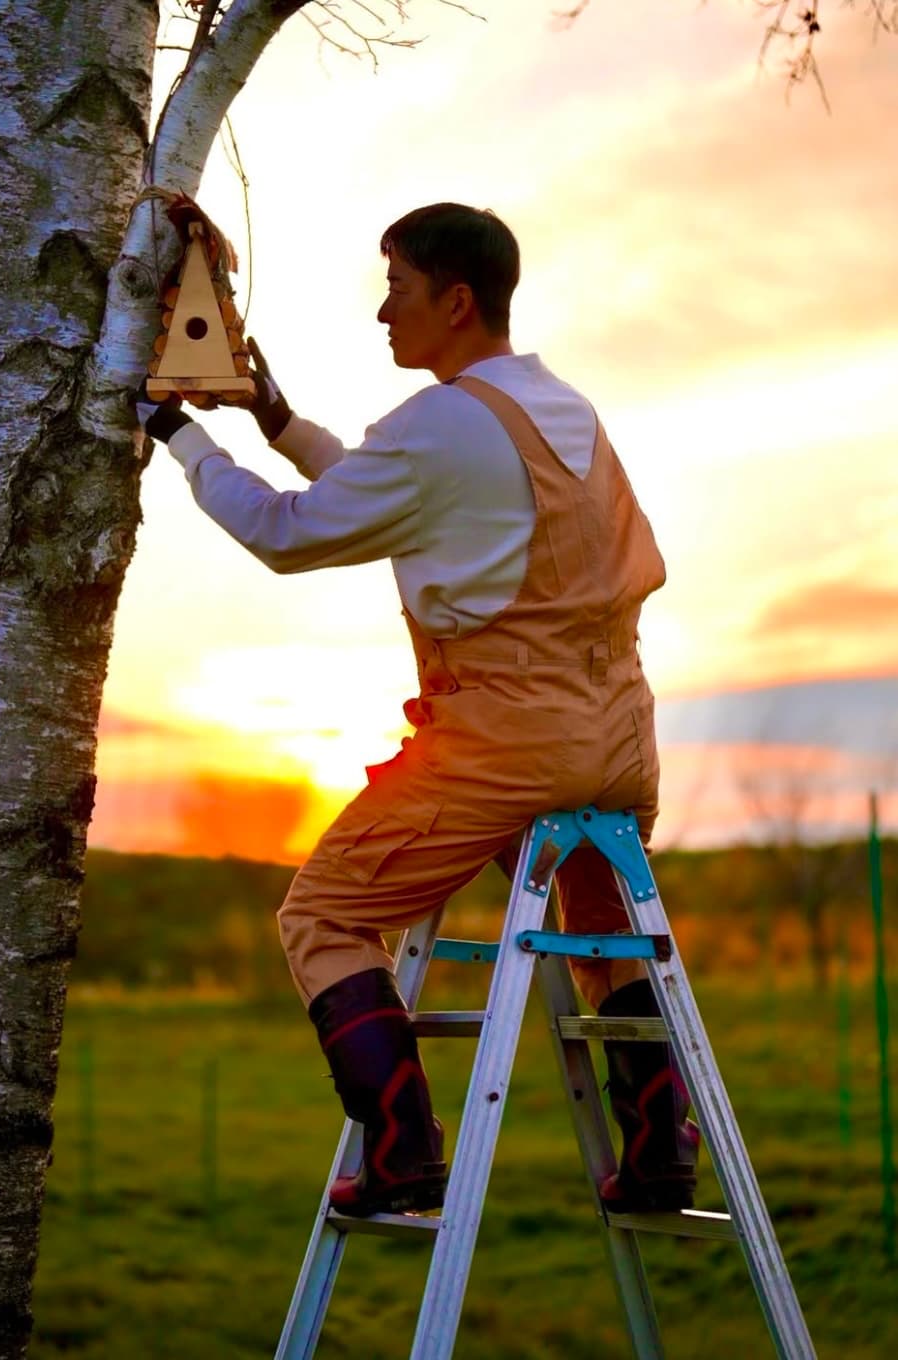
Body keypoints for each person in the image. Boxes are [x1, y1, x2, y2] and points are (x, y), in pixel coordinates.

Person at [135, 202, 698, 1219]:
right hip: (618, 737)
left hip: (506, 743)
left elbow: (284, 533)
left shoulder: (440, 424)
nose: (382, 310)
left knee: (324, 914)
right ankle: (661, 1151)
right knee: (602, 923)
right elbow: (384, 486)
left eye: (395, 285)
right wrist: (273, 416)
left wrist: (174, 436)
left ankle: (401, 1153)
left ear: (457, 299)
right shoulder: (559, 408)